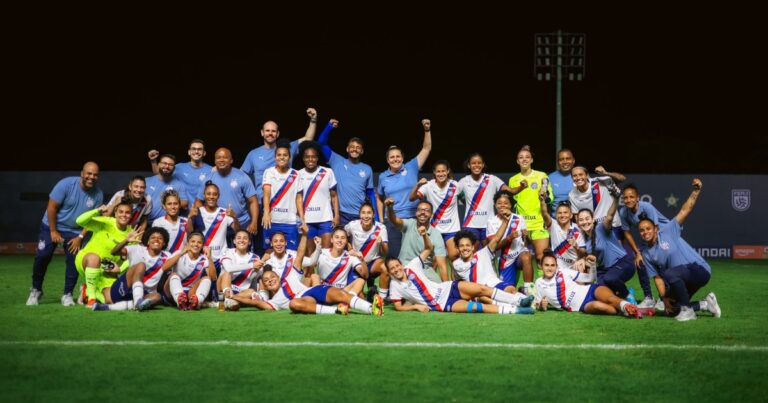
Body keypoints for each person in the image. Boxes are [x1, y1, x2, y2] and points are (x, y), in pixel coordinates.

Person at [385, 227, 533, 314]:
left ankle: (518, 300)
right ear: (390, 273)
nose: (396, 270)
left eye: (397, 266)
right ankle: (517, 310)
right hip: (440, 305)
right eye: (392, 269)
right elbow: (398, 306)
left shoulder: (412, 265)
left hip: (449, 288)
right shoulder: (394, 286)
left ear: (401, 265)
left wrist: (424, 235)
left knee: (482, 289)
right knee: (476, 308)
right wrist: (416, 306)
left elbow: (429, 248)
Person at [639, 179, 721, 321]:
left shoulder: (667, 231)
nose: (645, 232)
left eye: (648, 229)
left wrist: (696, 191)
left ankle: (688, 310)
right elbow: (657, 278)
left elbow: (685, 210)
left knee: (669, 273)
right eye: (641, 230)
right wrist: (664, 300)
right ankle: (706, 303)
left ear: (655, 229)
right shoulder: (646, 253)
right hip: (680, 278)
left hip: (699, 270)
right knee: (671, 310)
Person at [241, 108, 318, 252]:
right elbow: (241, 176)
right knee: (262, 246)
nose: (270, 133)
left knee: (287, 247)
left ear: (277, 134)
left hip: (286, 210)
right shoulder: (253, 154)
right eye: (267, 130)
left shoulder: (288, 148)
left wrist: (313, 120)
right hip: (260, 206)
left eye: (273, 131)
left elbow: (308, 139)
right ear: (262, 133)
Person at [28, 161, 103, 306]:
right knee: (43, 256)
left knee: (73, 260)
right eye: (89, 173)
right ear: (82, 173)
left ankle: (67, 294)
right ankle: (36, 290)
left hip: (74, 231)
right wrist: (53, 231)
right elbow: (51, 207)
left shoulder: (98, 194)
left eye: (95, 175)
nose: (91, 177)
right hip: (52, 225)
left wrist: (80, 237)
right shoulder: (66, 184)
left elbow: (93, 219)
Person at [377, 119, 433, 258]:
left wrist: (427, 130)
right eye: (392, 157)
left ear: (402, 158)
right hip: (393, 220)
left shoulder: (411, 166)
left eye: (398, 156)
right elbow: (379, 197)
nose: (395, 159)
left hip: (414, 219)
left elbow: (426, 148)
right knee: (394, 256)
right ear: (387, 160)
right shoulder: (383, 177)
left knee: (415, 256)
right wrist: (380, 219)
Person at [534, 251, 641, 317]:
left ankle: (626, 306)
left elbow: (590, 278)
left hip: (590, 290)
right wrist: (542, 306)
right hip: (581, 306)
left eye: (552, 265)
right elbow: (538, 304)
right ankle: (623, 305)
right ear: (541, 266)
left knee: (610, 299)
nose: (549, 268)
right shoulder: (539, 283)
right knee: (600, 307)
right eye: (546, 265)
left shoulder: (564, 272)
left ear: (556, 266)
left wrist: (593, 265)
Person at [316, 118, 382, 225]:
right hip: (340, 214)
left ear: (362, 151)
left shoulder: (367, 169)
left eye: (358, 147)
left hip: (359, 215)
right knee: (339, 242)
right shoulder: (336, 160)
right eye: (352, 147)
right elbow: (321, 143)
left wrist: (377, 218)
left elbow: (370, 194)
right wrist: (329, 127)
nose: (354, 149)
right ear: (347, 149)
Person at [91, 227, 171, 311]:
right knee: (141, 265)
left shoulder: (168, 256)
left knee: (157, 297)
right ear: (147, 241)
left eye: (160, 238)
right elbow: (114, 252)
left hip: (145, 293)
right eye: (153, 237)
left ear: (164, 243)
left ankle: (108, 308)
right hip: (127, 287)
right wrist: (126, 241)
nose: (156, 240)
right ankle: (138, 301)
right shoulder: (137, 248)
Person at [193, 148, 259, 248]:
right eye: (218, 158)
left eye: (225, 157)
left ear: (231, 160)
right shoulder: (208, 178)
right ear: (215, 161)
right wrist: (201, 222)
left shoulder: (242, 176)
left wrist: (254, 222)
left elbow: (253, 200)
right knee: (219, 255)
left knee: (242, 256)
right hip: (218, 224)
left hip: (241, 222)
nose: (221, 160)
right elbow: (198, 201)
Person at [247, 268, 383, 316]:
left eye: (272, 277)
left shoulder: (289, 277)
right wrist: (233, 298)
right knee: (294, 304)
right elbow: (255, 303)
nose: (270, 280)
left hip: (312, 291)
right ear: (264, 285)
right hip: (305, 301)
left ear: (278, 277)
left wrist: (305, 235)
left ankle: (372, 309)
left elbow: (302, 257)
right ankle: (336, 310)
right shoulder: (273, 302)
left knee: (341, 294)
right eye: (266, 280)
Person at [575, 191, 635, 299]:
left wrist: (616, 199)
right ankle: (617, 295)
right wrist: (582, 258)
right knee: (597, 288)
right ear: (578, 223)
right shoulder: (586, 241)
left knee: (610, 279)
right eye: (581, 220)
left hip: (624, 263)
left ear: (593, 219)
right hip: (606, 269)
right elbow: (591, 258)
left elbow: (609, 216)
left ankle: (627, 294)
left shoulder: (601, 228)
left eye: (587, 218)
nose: (585, 222)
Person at [619, 184, 670, 308]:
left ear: (637, 198)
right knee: (639, 261)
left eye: (631, 197)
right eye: (625, 198)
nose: (628, 200)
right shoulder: (623, 212)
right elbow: (627, 233)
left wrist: (648, 253)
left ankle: (665, 298)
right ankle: (649, 298)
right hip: (649, 238)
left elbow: (655, 229)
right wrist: (638, 253)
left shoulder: (647, 207)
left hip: (664, 233)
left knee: (660, 263)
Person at [452, 227, 533, 306]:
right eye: (461, 246)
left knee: (510, 289)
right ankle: (517, 302)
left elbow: (497, 238)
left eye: (467, 245)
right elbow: (457, 283)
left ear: (472, 247)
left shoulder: (484, 253)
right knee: (483, 298)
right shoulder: (456, 264)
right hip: (479, 291)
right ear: (458, 248)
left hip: (494, 284)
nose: (465, 248)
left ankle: (530, 301)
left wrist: (505, 221)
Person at [507, 145, 553, 281]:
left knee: (541, 258)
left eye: (527, 157)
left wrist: (545, 196)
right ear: (517, 161)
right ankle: (525, 289)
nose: (524, 159)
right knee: (521, 259)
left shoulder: (541, 176)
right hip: (522, 226)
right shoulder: (513, 179)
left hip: (539, 224)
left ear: (532, 160)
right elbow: (512, 203)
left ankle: (543, 289)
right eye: (521, 157)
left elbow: (550, 198)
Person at [77, 202, 134, 305]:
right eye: (120, 212)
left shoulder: (132, 234)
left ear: (131, 215)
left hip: (107, 268)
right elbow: (79, 221)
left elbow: (134, 257)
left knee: (112, 300)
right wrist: (97, 211)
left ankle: (87, 290)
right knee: (95, 258)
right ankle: (91, 297)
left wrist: (120, 269)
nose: (124, 215)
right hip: (88, 259)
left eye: (127, 212)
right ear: (115, 213)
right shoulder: (106, 222)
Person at [385, 198, 448, 282]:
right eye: (420, 210)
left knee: (438, 288)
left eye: (426, 210)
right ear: (416, 213)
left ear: (431, 214)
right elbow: (394, 220)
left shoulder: (436, 234)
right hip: (405, 266)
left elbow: (442, 266)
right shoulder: (409, 224)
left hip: (425, 270)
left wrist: (447, 288)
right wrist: (389, 208)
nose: (423, 212)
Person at [485, 190, 534, 294]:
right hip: (504, 260)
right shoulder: (491, 222)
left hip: (519, 255)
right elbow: (494, 247)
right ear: (495, 205)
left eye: (506, 203)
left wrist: (526, 236)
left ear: (511, 205)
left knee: (526, 256)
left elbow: (526, 243)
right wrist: (509, 238)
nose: (502, 205)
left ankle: (529, 291)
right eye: (499, 203)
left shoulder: (519, 218)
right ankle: (520, 291)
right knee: (507, 293)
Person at [409, 160, 460, 260]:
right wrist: (418, 185)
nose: (441, 174)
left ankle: (454, 276)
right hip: (434, 229)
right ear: (434, 172)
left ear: (448, 171)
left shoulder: (456, 185)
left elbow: (464, 198)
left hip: (452, 229)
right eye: (438, 171)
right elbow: (411, 198)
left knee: (454, 256)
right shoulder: (428, 185)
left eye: (443, 171)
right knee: (434, 260)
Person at [457, 153, 511, 243]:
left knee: (488, 253)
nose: (476, 165)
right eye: (473, 163)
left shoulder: (492, 179)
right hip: (470, 224)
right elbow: (456, 198)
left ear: (483, 164)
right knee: (471, 254)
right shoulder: (463, 181)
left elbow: (510, 191)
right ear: (469, 165)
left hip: (489, 224)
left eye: (479, 163)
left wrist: (521, 187)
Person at [262, 140, 305, 251]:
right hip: (271, 220)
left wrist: (303, 219)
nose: (282, 157)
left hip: (290, 221)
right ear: (275, 157)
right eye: (279, 155)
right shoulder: (269, 172)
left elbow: (299, 198)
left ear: (289, 157)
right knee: (269, 252)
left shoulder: (296, 174)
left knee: (291, 254)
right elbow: (266, 193)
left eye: (285, 155)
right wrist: (266, 213)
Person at [297, 141, 339, 253]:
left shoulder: (327, 172)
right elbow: (298, 199)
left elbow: (334, 196)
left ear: (317, 157)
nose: (310, 159)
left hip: (325, 219)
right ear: (303, 158)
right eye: (307, 157)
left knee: (326, 254)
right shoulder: (298, 174)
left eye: (313, 157)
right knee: (310, 257)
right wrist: (301, 220)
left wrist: (336, 215)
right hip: (307, 220)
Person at [345, 201, 389, 302]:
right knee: (359, 296)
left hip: (372, 263)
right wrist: (350, 248)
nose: (366, 216)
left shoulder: (380, 228)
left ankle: (381, 299)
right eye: (363, 213)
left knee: (385, 267)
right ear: (360, 214)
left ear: (373, 215)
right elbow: (343, 235)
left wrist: (382, 243)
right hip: (358, 265)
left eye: (369, 213)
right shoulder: (352, 225)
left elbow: (385, 252)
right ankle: (369, 296)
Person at [149, 139, 212, 208]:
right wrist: (153, 161)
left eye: (199, 149)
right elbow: (159, 174)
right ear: (189, 152)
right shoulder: (179, 167)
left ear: (204, 153)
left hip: (202, 213)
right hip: (182, 213)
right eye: (193, 149)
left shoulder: (211, 170)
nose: (196, 151)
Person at [161, 232, 217, 310]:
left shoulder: (204, 259)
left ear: (202, 246)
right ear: (187, 243)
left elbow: (213, 278)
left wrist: (209, 258)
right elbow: (164, 268)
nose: (196, 244)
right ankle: (179, 300)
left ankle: (197, 301)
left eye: (199, 242)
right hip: (172, 293)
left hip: (191, 293)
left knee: (207, 278)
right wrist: (181, 253)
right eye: (193, 241)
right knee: (173, 275)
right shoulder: (179, 253)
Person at [190, 182, 240, 265]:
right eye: (208, 194)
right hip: (202, 257)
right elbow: (189, 232)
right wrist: (190, 218)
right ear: (204, 195)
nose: (211, 197)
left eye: (214, 194)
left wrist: (235, 217)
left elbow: (237, 231)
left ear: (218, 196)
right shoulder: (197, 212)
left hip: (222, 258)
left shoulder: (225, 212)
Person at [217, 229, 266, 311]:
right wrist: (252, 265)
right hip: (224, 287)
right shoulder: (227, 252)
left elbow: (254, 279)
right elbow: (229, 268)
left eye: (245, 238)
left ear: (249, 242)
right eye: (239, 238)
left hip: (242, 291)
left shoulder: (255, 257)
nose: (242, 240)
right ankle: (228, 298)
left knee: (251, 292)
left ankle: (230, 301)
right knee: (226, 273)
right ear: (234, 241)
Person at [316, 227, 368, 295]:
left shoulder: (350, 256)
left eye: (343, 238)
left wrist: (362, 259)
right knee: (313, 276)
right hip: (323, 291)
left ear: (346, 241)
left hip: (340, 292)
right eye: (337, 237)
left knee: (360, 281)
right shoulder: (322, 253)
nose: (339, 240)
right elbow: (309, 267)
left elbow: (365, 275)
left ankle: (347, 301)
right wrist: (317, 248)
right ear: (331, 240)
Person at [540, 196, 586, 272]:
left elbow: (583, 254)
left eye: (565, 212)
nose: (562, 215)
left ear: (571, 215)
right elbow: (544, 213)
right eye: (559, 213)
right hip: (557, 268)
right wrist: (542, 200)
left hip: (574, 266)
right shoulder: (553, 225)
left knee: (581, 265)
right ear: (556, 216)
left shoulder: (578, 230)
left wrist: (576, 247)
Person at [144, 153, 188, 224]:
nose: (167, 166)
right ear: (158, 165)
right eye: (164, 163)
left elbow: (185, 204)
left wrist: (169, 199)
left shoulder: (179, 185)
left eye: (170, 165)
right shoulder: (146, 181)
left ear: (174, 168)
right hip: (146, 223)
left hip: (167, 223)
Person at [548, 148, 576, 213]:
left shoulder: (579, 176)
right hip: (555, 220)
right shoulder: (550, 177)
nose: (565, 162)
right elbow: (546, 202)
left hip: (576, 219)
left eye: (568, 158)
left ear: (573, 161)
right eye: (561, 159)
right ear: (558, 162)